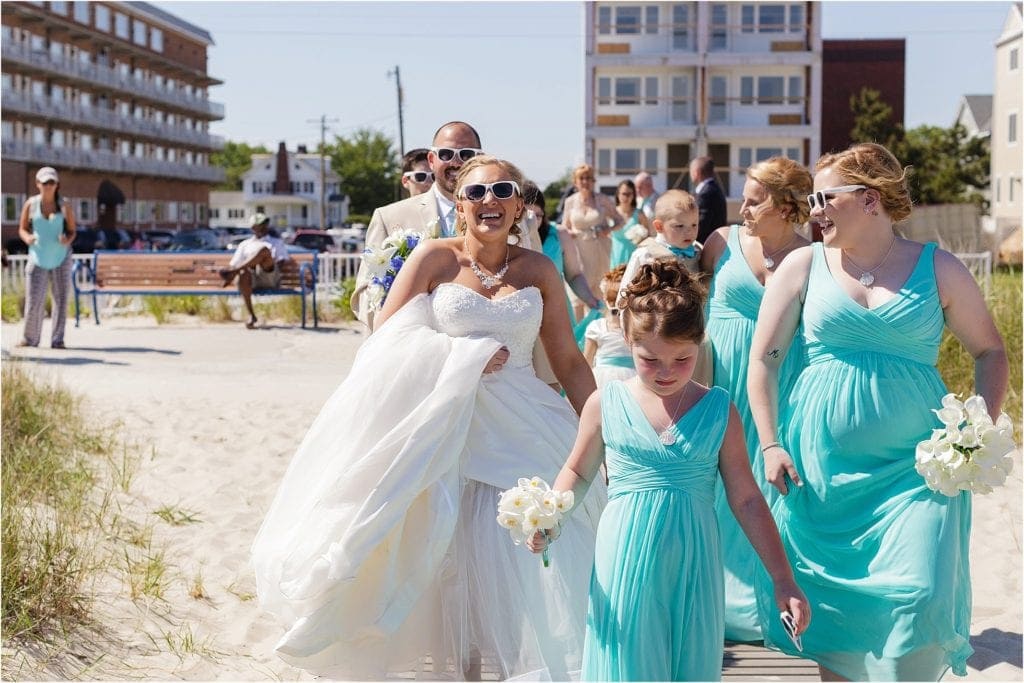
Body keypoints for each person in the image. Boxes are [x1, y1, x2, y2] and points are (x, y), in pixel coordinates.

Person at [252, 155, 606, 680]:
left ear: (520, 204)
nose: (491, 202)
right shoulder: (434, 259)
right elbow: (385, 346)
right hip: (444, 426)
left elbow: (570, 361)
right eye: (478, 193)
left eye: (503, 190)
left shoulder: (539, 269)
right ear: (459, 203)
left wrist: (603, 431)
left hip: (524, 423)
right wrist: (463, 355)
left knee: (541, 555)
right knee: (445, 560)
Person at [748, 142, 1008, 680]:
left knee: (919, 594)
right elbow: (764, 362)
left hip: (918, 470)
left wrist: (974, 432)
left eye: (824, 196)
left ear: (870, 200)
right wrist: (771, 443)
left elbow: (990, 351)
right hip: (823, 473)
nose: (813, 209)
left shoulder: (939, 268)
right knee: (835, 616)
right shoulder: (802, 265)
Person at [529, 260, 810, 681]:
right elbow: (579, 471)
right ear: (627, 339)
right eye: (649, 359)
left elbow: (747, 498)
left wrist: (782, 578)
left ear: (700, 343)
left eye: (682, 359)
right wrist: (551, 516)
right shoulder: (605, 403)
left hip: (694, 560)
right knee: (629, 664)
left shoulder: (719, 409)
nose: (665, 372)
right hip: (625, 554)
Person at [699, 156, 812, 643]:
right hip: (720, 378)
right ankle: (714, 600)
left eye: (753, 201)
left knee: (765, 488)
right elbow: (685, 300)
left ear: (786, 207)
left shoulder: (815, 255)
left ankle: (766, 603)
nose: (741, 208)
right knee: (719, 483)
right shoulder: (720, 242)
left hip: (779, 383)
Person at [352, 121, 483, 328]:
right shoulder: (389, 217)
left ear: (479, 160)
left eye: (466, 154)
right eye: (446, 154)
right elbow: (364, 295)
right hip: (411, 350)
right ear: (432, 159)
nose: (456, 162)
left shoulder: (509, 219)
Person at [17, 166, 76, 349]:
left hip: (60, 256)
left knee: (61, 298)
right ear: (38, 184)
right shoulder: (31, 204)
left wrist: (66, 239)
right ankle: (30, 339)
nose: (48, 186)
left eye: (51, 182)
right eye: (44, 183)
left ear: (57, 184)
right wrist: (28, 238)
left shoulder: (65, 206)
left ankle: (57, 340)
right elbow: (22, 228)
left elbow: (73, 231)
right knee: (34, 299)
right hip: (38, 256)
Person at [561, 163, 622, 321]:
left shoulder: (602, 200)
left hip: (599, 250)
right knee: (577, 297)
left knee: (599, 295)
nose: (585, 181)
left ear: (593, 180)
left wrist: (608, 230)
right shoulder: (570, 202)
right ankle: (577, 340)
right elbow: (564, 227)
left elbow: (619, 220)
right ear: (576, 182)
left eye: (589, 178)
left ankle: (598, 333)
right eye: (582, 178)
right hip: (578, 251)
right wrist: (571, 233)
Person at [219, 212, 290, 329]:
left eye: (265, 224)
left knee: (264, 251)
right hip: (251, 279)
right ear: (253, 228)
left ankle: (233, 274)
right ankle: (251, 315)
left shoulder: (276, 242)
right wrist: (250, 264)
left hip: (269, 275)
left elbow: (281, 262)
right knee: (243, 273)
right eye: (261, 225)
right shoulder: (244, 244)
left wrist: (261, 262)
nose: (264, 227)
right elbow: (234, 263)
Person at [583, 264, 635, 389]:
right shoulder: (597, 328)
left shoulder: (636, 328)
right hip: (601, 379)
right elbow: (587, 362)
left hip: (632, 378)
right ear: (606, 298)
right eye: (613, 300)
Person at [609, 179, 651, 268]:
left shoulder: (639, 214)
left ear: (634, 195)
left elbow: (648, 237)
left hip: (634, 258)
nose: (627, 197)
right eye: (624, 194)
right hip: (615, 257)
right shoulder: (611, 213)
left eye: (629, 194)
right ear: (618, 194)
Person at [690, 156, 728, 244]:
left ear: (697, 172)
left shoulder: (706, 192)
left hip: (706, 245)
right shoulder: (715, 188)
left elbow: (702, 224)